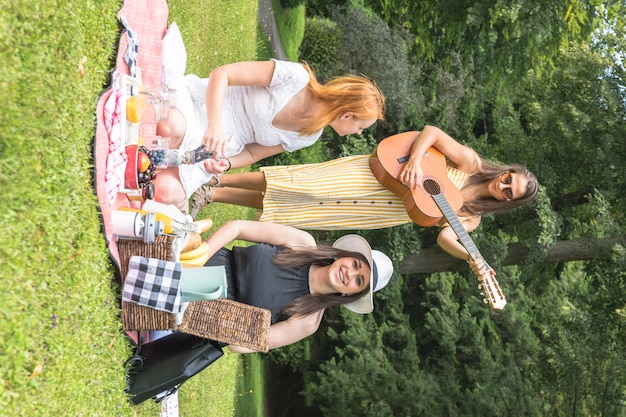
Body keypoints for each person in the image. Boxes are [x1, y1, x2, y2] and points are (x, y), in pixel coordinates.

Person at [191, 126, 539, 279]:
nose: (503, 186)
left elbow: (446, 238)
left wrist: (471, 257)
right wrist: (417, 161)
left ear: (507, 203)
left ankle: (213, 195)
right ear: (507, 171)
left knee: (298, 203)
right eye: (509, 178)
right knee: (298, 181)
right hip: (379, 175)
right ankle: (217, 178)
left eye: (510, 192)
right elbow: (431, 132)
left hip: (382, 210)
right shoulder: (470, 163)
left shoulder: (471, 218)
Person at [152, 59, 385, 213]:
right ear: (346, 115)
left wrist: (227, 163)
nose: (358, 133)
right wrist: (214, 125)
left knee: (164, 191)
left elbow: (253, 152)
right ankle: (162, 162)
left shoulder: (309, 136)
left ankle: (175, 193)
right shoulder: (296, 77)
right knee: (169, 127)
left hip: (221, 145)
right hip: (208, 106)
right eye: (360, 126)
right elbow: (222, 75)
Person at [199, 220, 393, 353]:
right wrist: (199, 258)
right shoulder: (303, 244)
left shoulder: (307, 321)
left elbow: (239, 346)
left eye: (358, 281)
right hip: (207, 262)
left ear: (351, 294)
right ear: (346, 256)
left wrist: (223, 321)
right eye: (355, 264)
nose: (350, 273)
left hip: (208, 315)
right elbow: (237, 228)